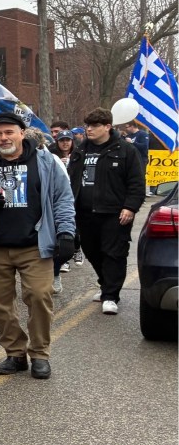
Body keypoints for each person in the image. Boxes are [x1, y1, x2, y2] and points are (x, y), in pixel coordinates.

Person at [0, 112, 75, 380]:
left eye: (9, 132)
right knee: (1, 305)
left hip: (35, 245)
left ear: (22, 133)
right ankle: (15, 353)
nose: (3, 138)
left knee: (39, 297)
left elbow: (63, 199)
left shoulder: (46, 162)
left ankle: (40, 354)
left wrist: (66, 233)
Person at [69, 109, 145, 314]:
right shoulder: (80, 150)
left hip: (114, 213)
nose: (89, 129)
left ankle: (111, 295)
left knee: (113, 253)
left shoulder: (125, 150)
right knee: (91, 250)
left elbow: (136, 182)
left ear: (107, 127)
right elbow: (72, 179)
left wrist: (130, 207)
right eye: (87, 125)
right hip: (84, 212)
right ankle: (105, 284)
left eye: (94, 126)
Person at [49, 130, 82, 290]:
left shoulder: (78, 155)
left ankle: (76, 250)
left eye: (68, 140)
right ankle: (56, 271)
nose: (65, 143)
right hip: (54, 201)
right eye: (62, 140)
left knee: (72, 232)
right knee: (56, 240)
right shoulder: (51, 156)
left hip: (73, 198)